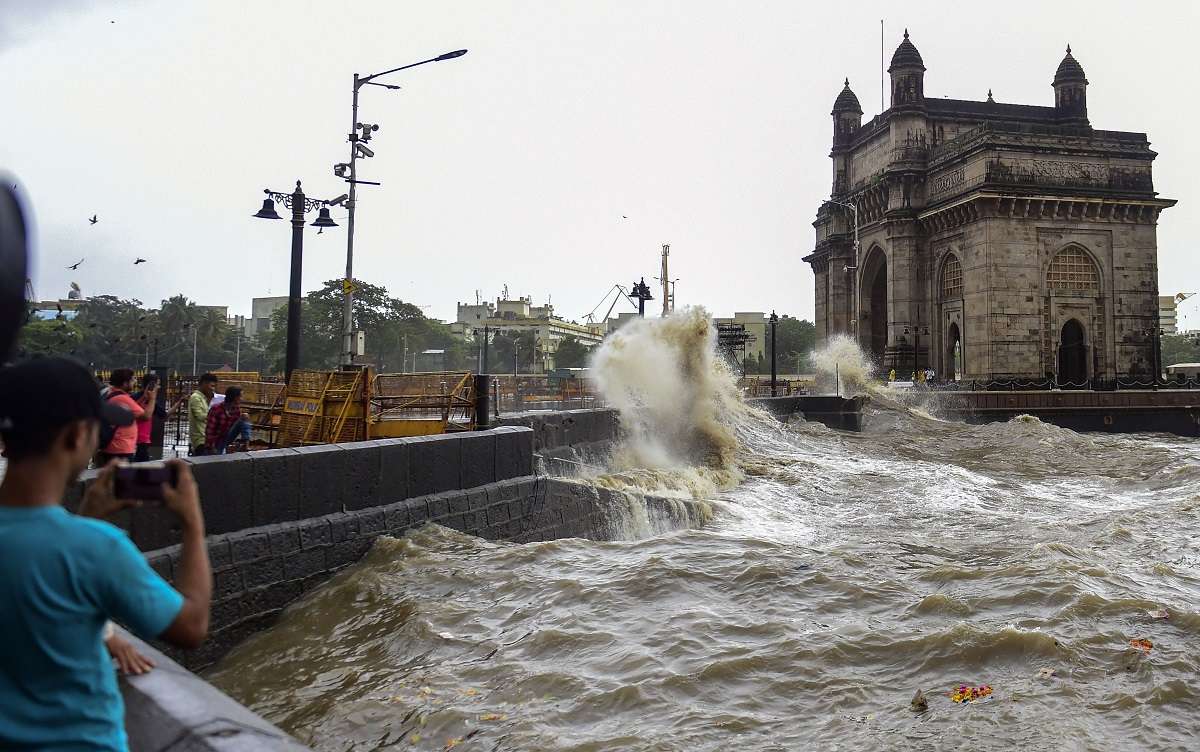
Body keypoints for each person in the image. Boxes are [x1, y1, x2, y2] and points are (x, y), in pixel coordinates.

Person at [0, 357, 211, 751]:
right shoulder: (96, 547)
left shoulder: (79, 541)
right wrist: (193, 523)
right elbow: (191, 626)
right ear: (78, 436)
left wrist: (85, 519)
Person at [96, 369, 143, 466]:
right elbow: (145, 415)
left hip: (111, 446)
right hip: (121, 448)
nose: (135, 382)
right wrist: (153, 397)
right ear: (125, 383)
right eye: (133, 379)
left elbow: (130, 410)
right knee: (121, 479)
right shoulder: (122, 397)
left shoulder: (109, 393)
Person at [131, 373, 166, 463]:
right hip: (138, 439)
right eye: (157, 384)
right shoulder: (138, 399)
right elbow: (146, 416)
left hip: (141, 439)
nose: (159, 387)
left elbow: (163, 414)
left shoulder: (149, 399)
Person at [205, 385, 251, 454]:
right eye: (240, 396)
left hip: (227, 436)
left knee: (245, 417)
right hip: (217, 440)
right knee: (216, 457)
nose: (242, 399)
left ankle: (246, 445)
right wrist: (212, 447)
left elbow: (237, 426)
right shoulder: (216, 409)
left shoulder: (236, 409)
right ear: (235, 397)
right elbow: (209, 431)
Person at [188, 372, 218, 456]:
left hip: (205, 438)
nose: (213, 389)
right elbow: (200, 416)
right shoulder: (196, 397)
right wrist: (214, 414)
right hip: (200, 439)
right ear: (204, 383)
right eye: (212, 386)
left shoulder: (203, 398)